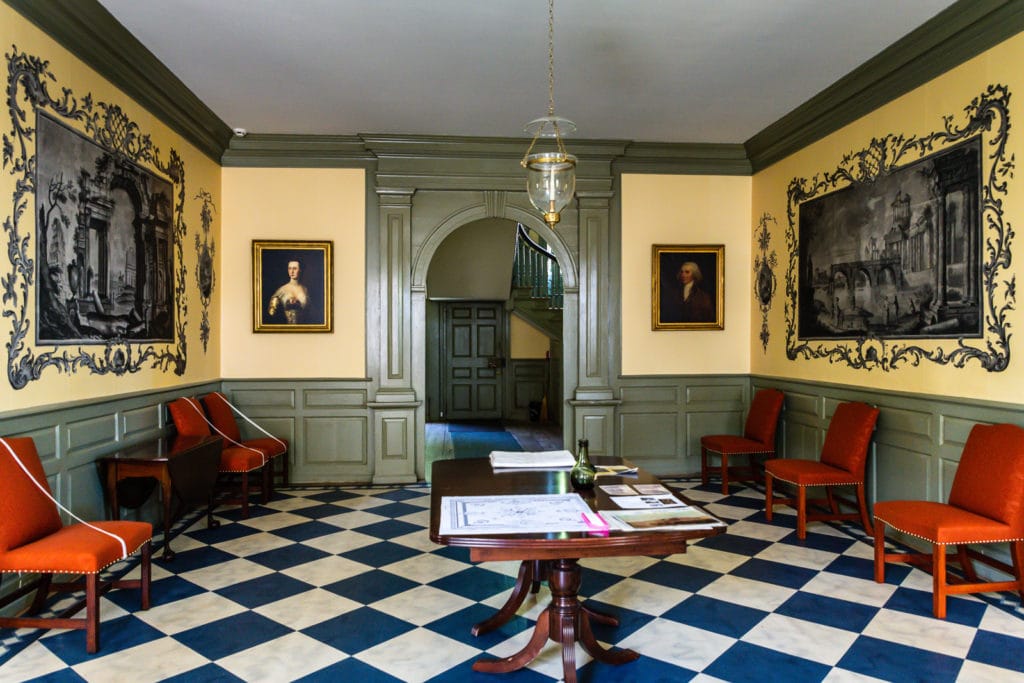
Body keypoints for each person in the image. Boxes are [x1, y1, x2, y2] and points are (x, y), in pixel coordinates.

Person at [267, 259, 309, 324]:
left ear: (300, 270)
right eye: (289, 268)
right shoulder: (281, 290)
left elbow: (310, 312)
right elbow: (271, 313)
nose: (291, 271)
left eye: (295, 268)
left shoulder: (305, 290)